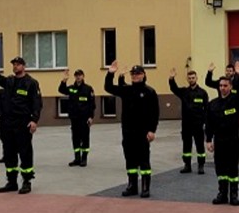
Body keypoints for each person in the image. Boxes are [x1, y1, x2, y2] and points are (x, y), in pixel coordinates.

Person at [0, 47, 43, 195]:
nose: (15, 66)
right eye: (13, 64)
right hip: (7, 124)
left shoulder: (31, 83)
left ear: (23, 66)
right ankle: (11, 181)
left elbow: (37, 103)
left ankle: (26, 181)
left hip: (22, 123)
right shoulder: (9, 81)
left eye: (18, 64)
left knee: (25, 153)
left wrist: (34, 120)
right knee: (9, 153)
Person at [104, 61, 159, 198]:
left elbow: (155, 113)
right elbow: (108, 87)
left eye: (138, 74)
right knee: (130, 160)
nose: (135, 76)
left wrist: (152, 130)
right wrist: (110, 73)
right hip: (128, 132)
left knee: (144, 159)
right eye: (133, 74)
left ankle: (145, 187)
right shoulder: (126, 90)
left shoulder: (149, 92)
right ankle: (132, 186)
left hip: (143, 132)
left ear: (143, 75)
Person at [205, 62, 239, 206]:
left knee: (232, 167)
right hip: (219, 141)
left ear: (230, 87)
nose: (222, 88)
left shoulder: (235, 101)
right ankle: (222, 193)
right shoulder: (213, 104)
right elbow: (209, 124)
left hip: (232, 140)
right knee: (220, 168)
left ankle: (233, 195)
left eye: (225, 85)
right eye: (221, 85)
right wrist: (208, 140)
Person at [169, 68, 209, 174]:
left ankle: (201, 165)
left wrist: (205, 123)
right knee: (186, 145)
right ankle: (187, 165)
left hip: (198, 124)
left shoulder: (202, 93)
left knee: (200, 145)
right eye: (189, 78)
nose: (191, 79)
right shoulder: (184, 92)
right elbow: (174, 89)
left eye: (193, 78)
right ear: (187, 79)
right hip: (186, 125)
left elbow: (207, 110)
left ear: (196, 78)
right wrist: (171, 78)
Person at [58, 69, 96, 167]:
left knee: (85, 139)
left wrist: (91, 117)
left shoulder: (88, 89)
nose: (78, 77)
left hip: (84, 119)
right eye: (76, 75)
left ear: (83, 76)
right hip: (74, 118)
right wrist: (64, 81)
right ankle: (77, 158)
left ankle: (84, 158)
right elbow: (62, 90)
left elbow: (92, 104)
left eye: (80, 75)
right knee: (75, 138)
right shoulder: (72, 88)